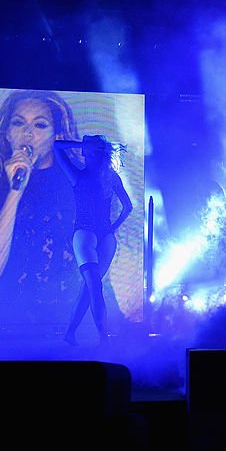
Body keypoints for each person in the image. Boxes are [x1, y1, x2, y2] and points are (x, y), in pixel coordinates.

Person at [0, 90, 81, 325]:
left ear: (56, 136)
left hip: (63, 331)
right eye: (19, 123)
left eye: (40, 125)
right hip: (4, 330)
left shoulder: (75, 192)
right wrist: (16, 191)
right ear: (7, 134)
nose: (28, 133)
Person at [53, 134, 133, 345]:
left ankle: (77, 335)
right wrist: (112, 228)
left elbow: (57, 147)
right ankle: (97, 337)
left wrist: (84, 145)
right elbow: (128, 207)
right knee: (93, 286)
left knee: (92, 287)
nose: (82, 151)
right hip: (102, 236)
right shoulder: (109, 176)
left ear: (90, 152)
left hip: (87, 234)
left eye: (86, 149)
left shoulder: (79, 176)